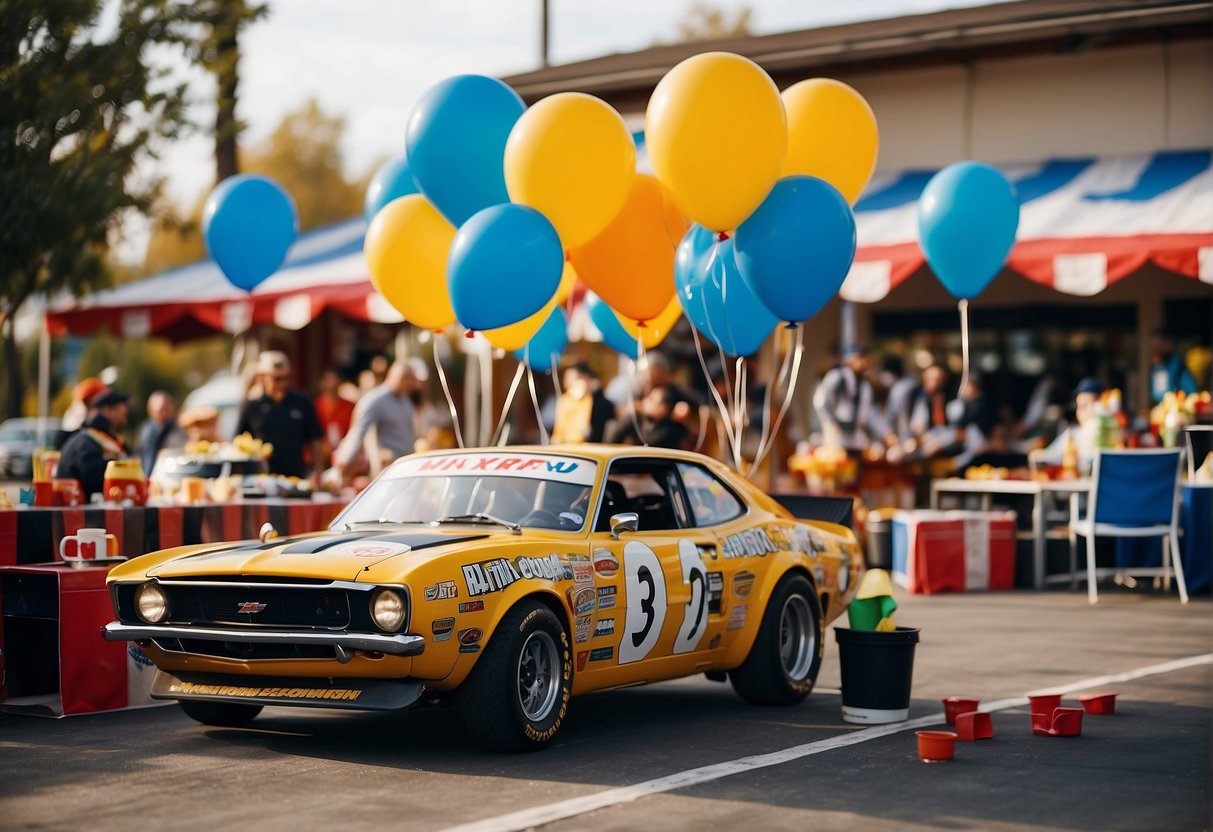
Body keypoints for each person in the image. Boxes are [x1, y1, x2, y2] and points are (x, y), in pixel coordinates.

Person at [234, 351, 324, 483]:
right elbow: (238, 442)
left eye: (286, 378)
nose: (282, 384)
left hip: (296, 479)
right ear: (262, 377)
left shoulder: (301, 401)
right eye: (277, 379)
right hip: (261, 480)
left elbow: (315, 438)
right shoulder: (251, 405)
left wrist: (318, 471)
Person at [333, 360, 420, 479]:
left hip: (406, 467)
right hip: (387, 469)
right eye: (410, 381)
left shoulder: (406, 401)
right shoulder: (374, 400)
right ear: (401, 378)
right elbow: (358, 431)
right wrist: (345, 460)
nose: (412, 386)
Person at [57, 389, 131, 498]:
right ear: (107, 410)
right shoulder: (88, 441)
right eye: (122, 405)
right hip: (81, 512)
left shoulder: (101, 438)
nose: (126, 409)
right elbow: (93, 482)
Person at [813, 345, 880, 453]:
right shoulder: (837, 377)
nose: (864, 363)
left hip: (855, 436)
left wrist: (884, 432)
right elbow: (821, 402)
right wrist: (832, 422)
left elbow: (869, 412)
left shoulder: (864, 385)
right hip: (837, 434)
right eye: (860, 359)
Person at [606, 385, 689, 449]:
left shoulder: (671, 430)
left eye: (651, 400)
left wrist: (634, 416)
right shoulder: (647, 421)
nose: (645, 402)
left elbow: (649, 441)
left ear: (663, 409)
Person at [552, 362, 615, 444]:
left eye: (572, 380)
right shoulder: (564, 400)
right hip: (566, 447)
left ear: (585, 379)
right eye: (566, 380)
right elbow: (558, 430)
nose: (567, 384)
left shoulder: (598, 401)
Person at [136, 390, 184, 474]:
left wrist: (167, 453)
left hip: (168, 475)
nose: (164, 413)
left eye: (167, 408)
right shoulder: (146, 429)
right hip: (146, 475)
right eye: (160, 410)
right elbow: (140, 452)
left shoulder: (178, 430)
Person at [314, 369, 354, 466]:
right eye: (328, 380)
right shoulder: (315, 406)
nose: (332, 383)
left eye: (334, 379)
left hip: (343, 455)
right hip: (318, 456)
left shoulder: (349, 406)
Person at [1149, 329, 1198, 404]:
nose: (1155, 352)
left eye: (1158, 347)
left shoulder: (1176, 365)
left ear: (1168, 344)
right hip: (1158, 409)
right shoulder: (1156, 367)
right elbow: (1155, 393)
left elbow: (1191, 390)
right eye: (1153, 348)